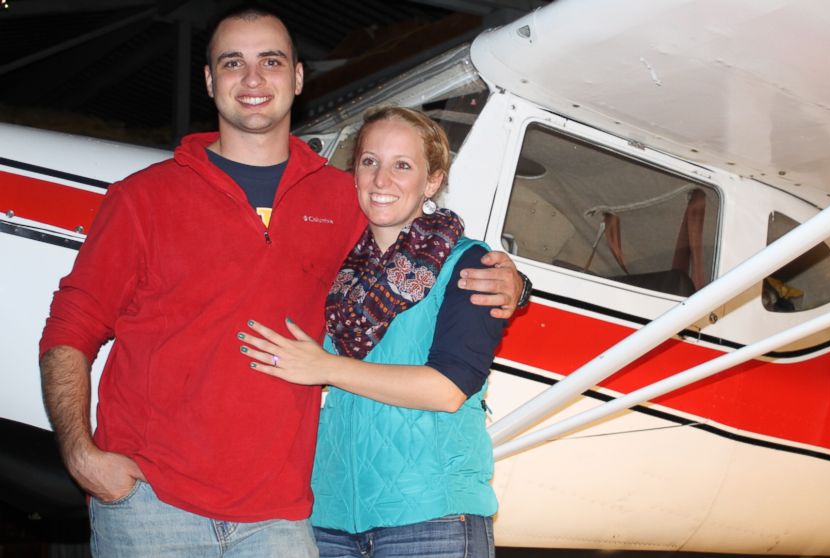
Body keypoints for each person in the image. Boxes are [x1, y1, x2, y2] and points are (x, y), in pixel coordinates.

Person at [38, 8, 523, 558]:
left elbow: (424, 240)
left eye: (270, 61)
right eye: (232, 63)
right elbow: (69, 328)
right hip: (152, 505)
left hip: (282, 520)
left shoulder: (346, 198)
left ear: (295, 78)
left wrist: (509, 279)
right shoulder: (141, 199)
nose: (252, 79)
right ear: (209, 81)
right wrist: (80, 454)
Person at [238, 106, 501, 558]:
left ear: (432, 181)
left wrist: (326, 367)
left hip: (432, 516)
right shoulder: (335, 272)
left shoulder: (471, 264)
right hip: (332, 518)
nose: (382, 180)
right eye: (369, 161)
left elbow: (448, 389)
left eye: (403, 165)